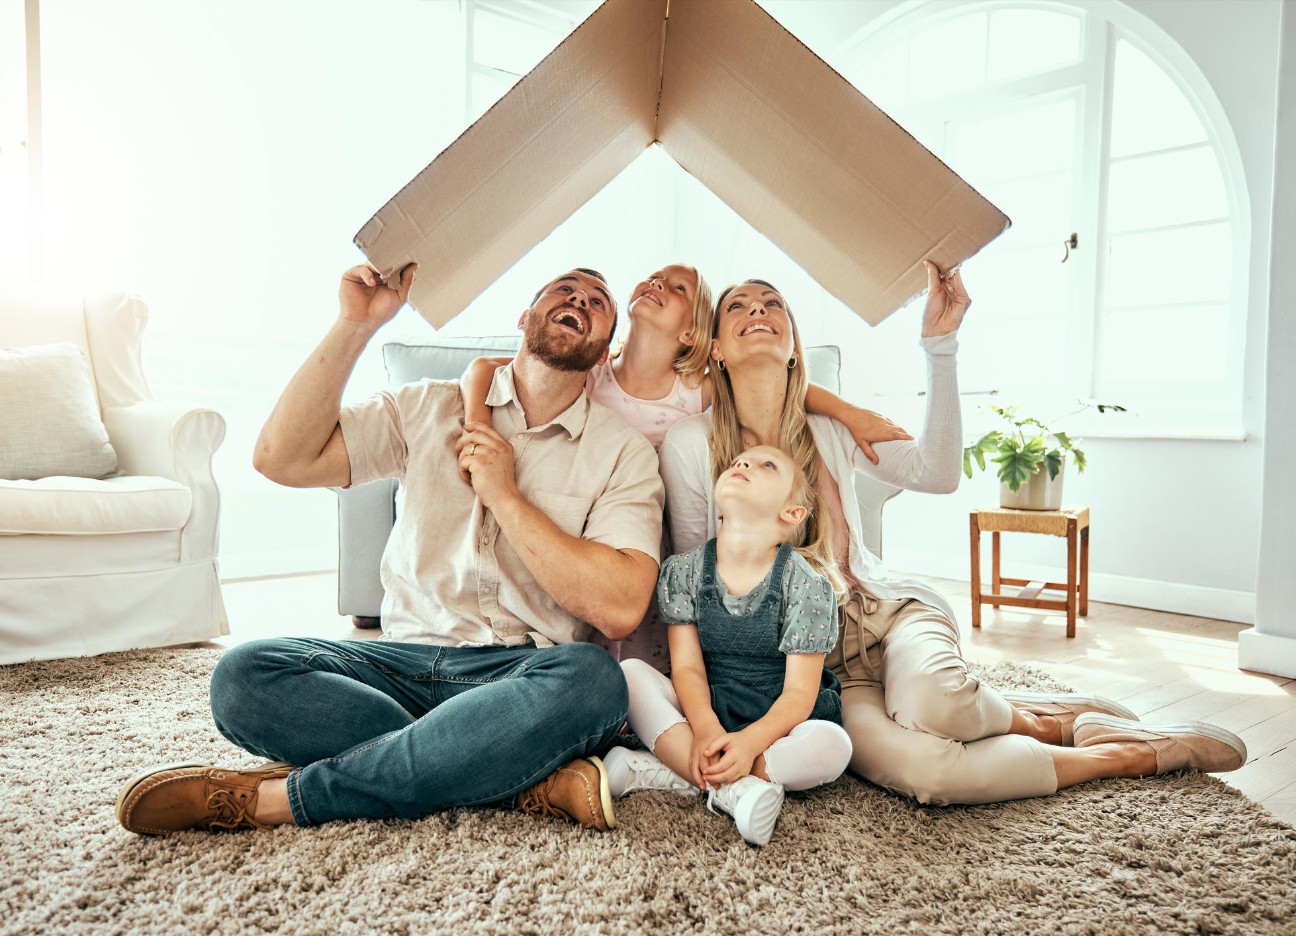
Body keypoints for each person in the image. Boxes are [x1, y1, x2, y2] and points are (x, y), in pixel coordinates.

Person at [656, 262, 1247, 808]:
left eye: (773, 303)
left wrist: (940, 345)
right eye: (737, 306)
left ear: (793, 347)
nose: (757, 310)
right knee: (931, 774)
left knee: (940, 705)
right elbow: (696, 579)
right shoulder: (691, 446)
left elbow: (935, 473)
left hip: (885, 612)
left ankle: (1040, 719)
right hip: (821, 662)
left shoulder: (832, 428)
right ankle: (1123, 753)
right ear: (715, 350)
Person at [114, 262, 666, 835]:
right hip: (398, 662)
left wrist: (505, 495)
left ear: (605, 354)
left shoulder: (621, 452)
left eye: (599, 302)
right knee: (244, 675)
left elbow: (621, 605)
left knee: (596, 681)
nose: (580, 299)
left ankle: (285, 799)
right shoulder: (427, 406)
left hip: (523, 671)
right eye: (565, 289)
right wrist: (355, 323)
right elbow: (282, 457)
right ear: (526, 317)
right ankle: (511, 772)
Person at [459, 263, 911, 670]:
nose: (657, 283)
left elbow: (774, 382)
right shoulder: (591, 372)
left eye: (677, 288)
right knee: (602, 656)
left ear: (694, 335)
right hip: (601, 548)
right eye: (654, 276)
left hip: (673, 555)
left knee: (669, 664)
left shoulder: (699, 389)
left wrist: (847, 412)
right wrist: (478, 428)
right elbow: (485, 366)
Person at [599, 444, 853, 846]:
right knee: (629, 675)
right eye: (738, 462)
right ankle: (740, 791)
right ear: (718, 507)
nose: (744, 463)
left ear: (792, 513)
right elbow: (686, 669)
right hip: (709, 707)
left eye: (766, 465)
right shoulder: (683, 572)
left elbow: (799, 695)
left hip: (780, 720)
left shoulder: (806, 585)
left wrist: (750, 741)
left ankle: (670, 773)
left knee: (835, 746)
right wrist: (704, 728)